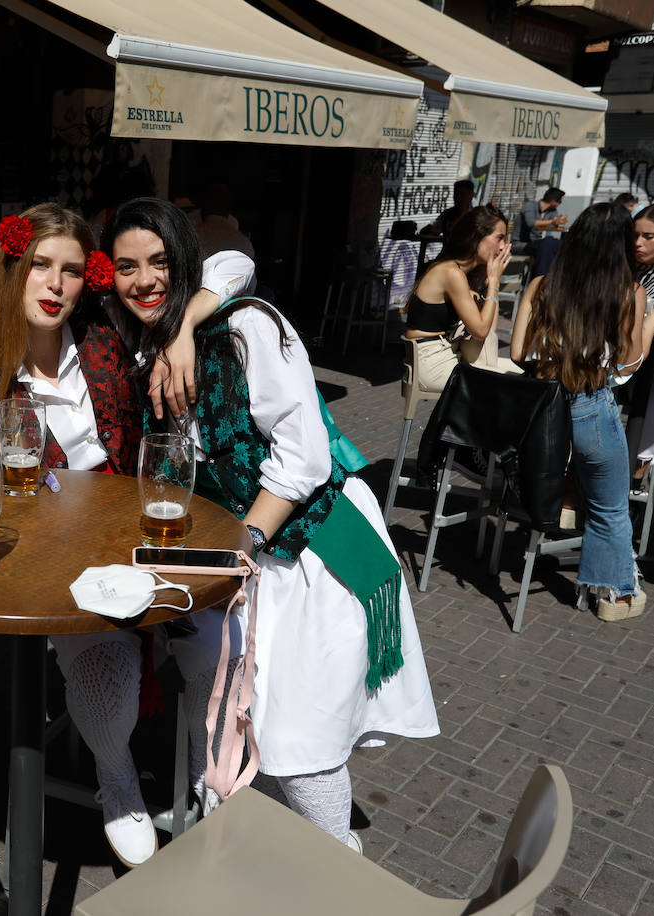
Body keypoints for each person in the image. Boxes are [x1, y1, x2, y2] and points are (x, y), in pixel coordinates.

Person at [104, 197, 440, 849]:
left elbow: (306, 456)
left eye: (159, 262)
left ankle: (338, 866)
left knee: (299, 737)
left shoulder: (246, 328)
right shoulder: (144, 347)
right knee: (241, 715)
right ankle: (249, 839)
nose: (143, 279)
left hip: (310, 550)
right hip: (240, 562)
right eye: (126, 266)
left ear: (187, 265)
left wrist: (244, 540)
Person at [0, 203, 226, 869]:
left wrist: (182, 331)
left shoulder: (107, 340)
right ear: (13, 270)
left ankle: (209, 774)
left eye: (73, 270)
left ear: (92, 278)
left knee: (212, 643)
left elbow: (231, 264)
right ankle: (116, 775)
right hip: (53, 562)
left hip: (139, 532)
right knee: (107, 674)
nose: (55, 284)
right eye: (41, 267)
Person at [511, 202, 654, 622]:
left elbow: (519, 352)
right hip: (591, 406)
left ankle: (607, 586)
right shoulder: (629, 292)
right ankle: (613, 596)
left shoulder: (542, 284)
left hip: (541, 410)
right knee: (609, 505)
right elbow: (628, 367)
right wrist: (647, 325)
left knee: (597, 499)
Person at [402, 205, 513, 393]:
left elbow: (489, 333)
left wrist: (490, 282)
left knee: (502, 378)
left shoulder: (463, 274)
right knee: (498, 389)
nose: (503, 247)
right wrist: (494, 282)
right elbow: (481, 331)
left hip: (444, 354)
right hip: (431, 362)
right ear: (474, 236)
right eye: (499, 238)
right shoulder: (451, 272)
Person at [624, 204, 654, 482]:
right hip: (622, 362)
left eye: (649, 236)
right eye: (635, 235)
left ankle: (636, 476)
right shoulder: (625, 267)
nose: (638, 243)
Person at [514, 187, 566, 277]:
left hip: (537, 244)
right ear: (553, 201)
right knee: (548, 245)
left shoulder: (551, 211)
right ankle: (539, 278)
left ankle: (540, 278)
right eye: (560, 201)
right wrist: (552, 222)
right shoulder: (530, 206)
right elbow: (530, 223)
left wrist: (558, 222)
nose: (560, 204)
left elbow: (550, 225)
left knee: (555, 246)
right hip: (520, 244)